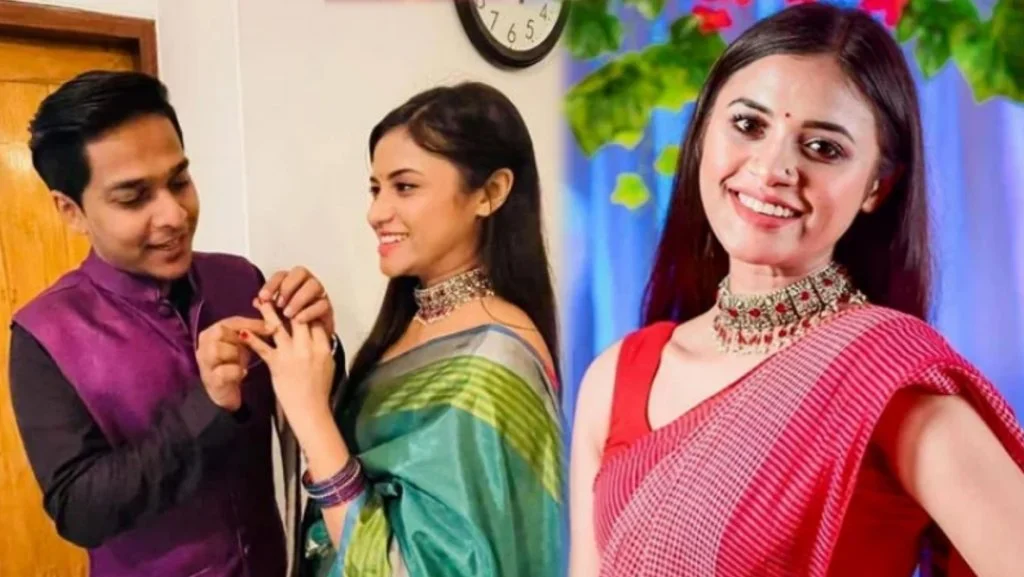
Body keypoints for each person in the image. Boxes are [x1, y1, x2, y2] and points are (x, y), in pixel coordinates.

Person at [568, 4, 1024, 577]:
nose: (771, 169)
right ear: (703, 131)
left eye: (823, 148)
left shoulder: (885, 381)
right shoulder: (617, 377)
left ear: (877, 187)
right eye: (748, 125)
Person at [8, 70, 341, 577]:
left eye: (179, 181)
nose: (173, 215)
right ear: (71, 211)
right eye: (133, 197)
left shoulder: (239, 279)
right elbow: (80, 510)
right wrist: (207, 406)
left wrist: (320, 344)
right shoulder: (44, 335)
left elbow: (307, 418)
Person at [238, 82, 564, 577]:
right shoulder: (415, 322)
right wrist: (317, 350)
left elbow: (413, 568)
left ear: (490, 193)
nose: (376, 213)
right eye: (375, 188)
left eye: (405, 187)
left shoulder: (494, 361)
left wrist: (309, 414)